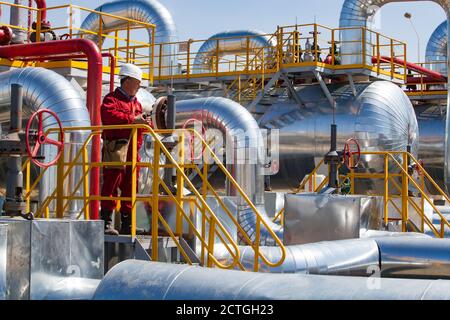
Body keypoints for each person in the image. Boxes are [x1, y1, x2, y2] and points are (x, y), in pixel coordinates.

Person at [100, 63, 150, 235]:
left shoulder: (136, 104)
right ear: (127, 81)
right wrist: (132, 119)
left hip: (132, 152)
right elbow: (109, 117)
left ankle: (128, 224)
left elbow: (140, 127)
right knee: (111, 185)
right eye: (137, 83)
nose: (138, 87)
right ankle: (105, 223)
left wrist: (145, 124)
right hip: (116, 149)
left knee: (131, 187)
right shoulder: (110, 100)